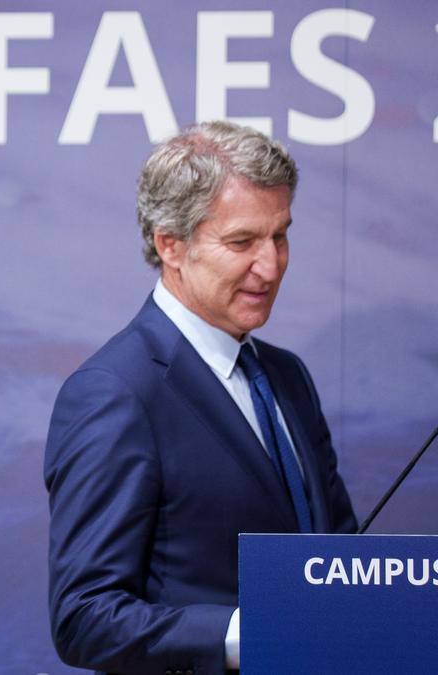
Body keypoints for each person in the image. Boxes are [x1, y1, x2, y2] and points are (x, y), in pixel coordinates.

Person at [44, 121, 357, 675]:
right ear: (171, 244)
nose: (271, 265)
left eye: (280, 235)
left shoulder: (288, 377)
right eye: (242, 242)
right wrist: (251, 632)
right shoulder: (115, 392)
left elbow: (335, 557)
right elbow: (84, 617)